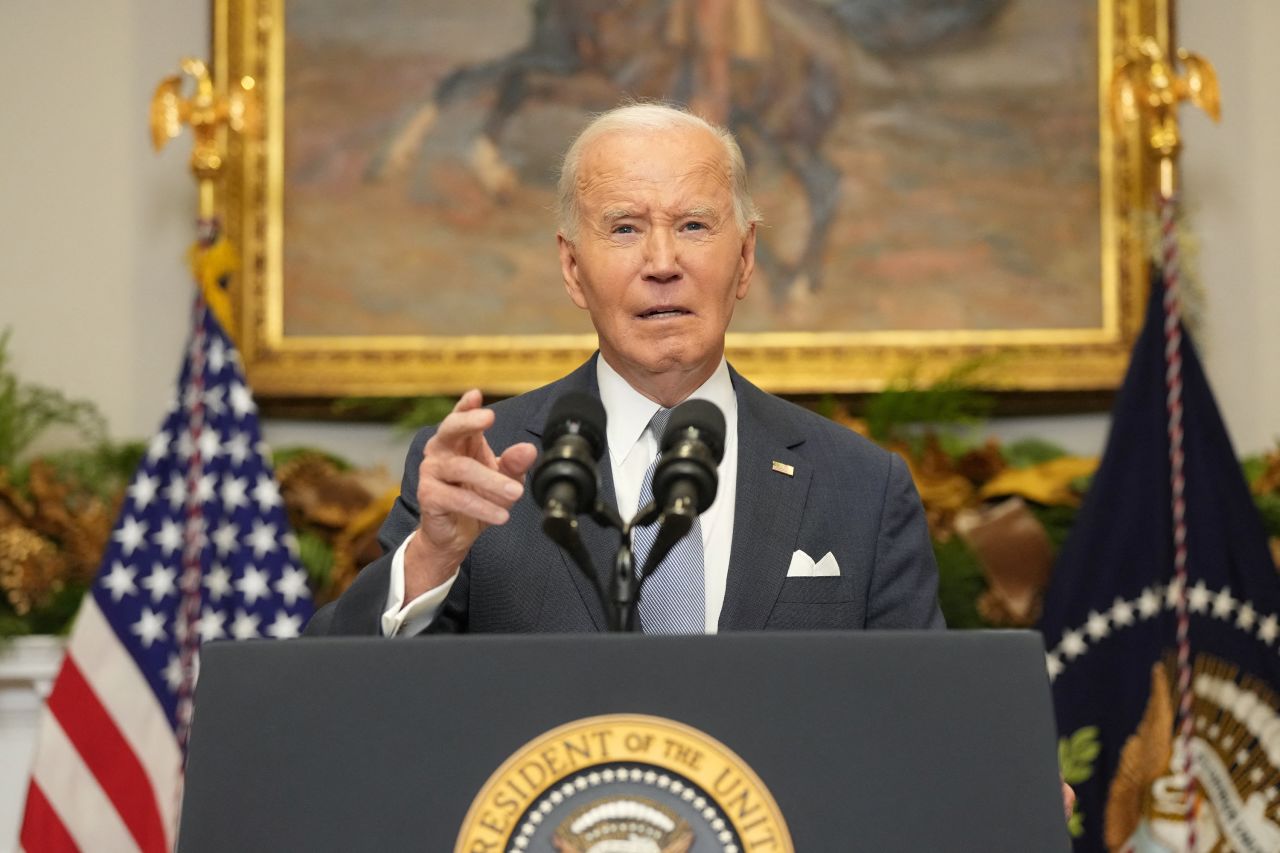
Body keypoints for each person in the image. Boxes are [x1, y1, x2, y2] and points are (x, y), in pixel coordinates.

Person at [305, 103, 944, 637]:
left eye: (694, 225)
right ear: (573, 268)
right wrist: (432, 558)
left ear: (746, 258)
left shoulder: (860, 485)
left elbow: (923, 719)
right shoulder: (484, 471)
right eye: (624, 228)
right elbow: (337, 691)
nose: (662, 262)